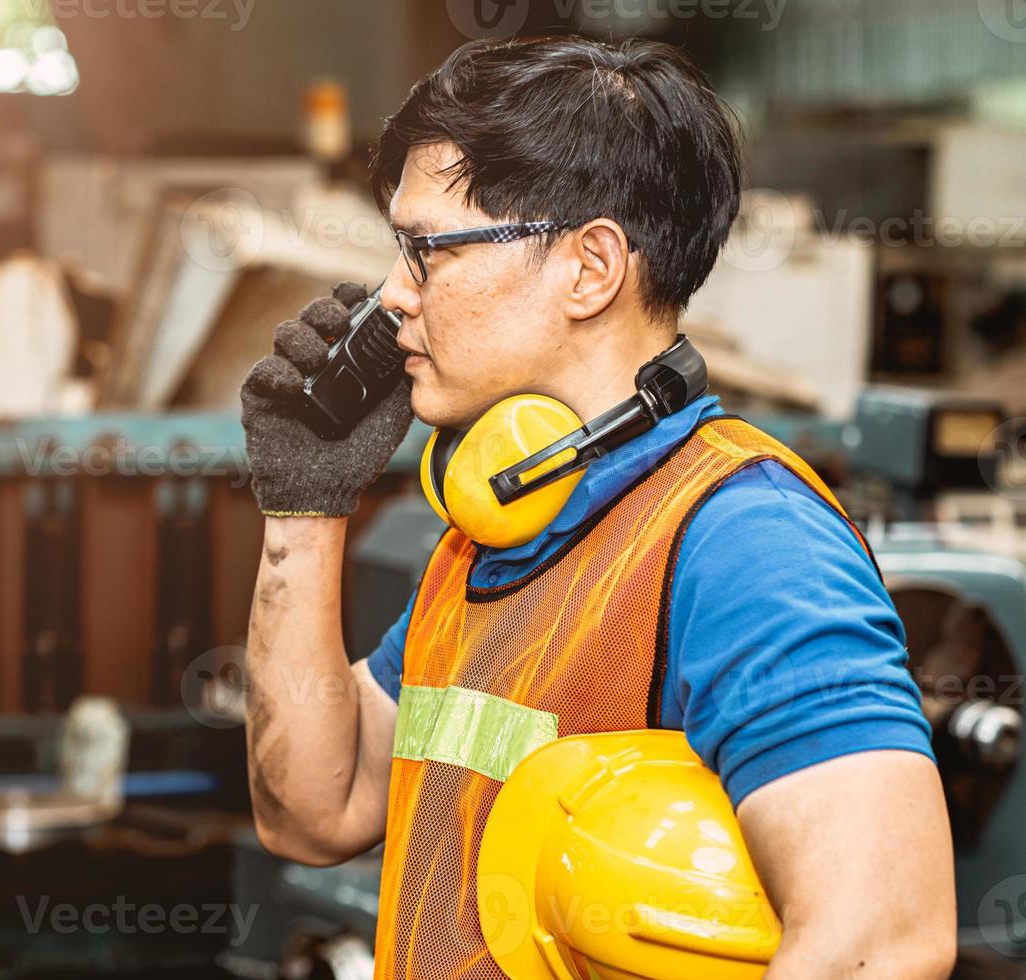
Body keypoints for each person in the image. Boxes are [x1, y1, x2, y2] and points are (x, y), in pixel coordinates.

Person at [239, 36, 955, 979]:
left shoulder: (741, 538)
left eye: (425, 253)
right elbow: (309, 811)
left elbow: (883, 944)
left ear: (591, 267)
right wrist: (304, 507)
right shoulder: (499, 530)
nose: (394, 297)